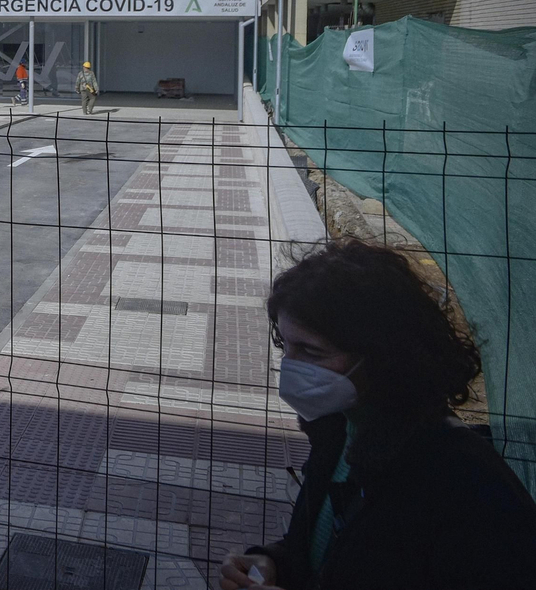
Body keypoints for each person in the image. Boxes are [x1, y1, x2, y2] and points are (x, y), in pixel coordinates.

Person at [218, 238, 536, 590]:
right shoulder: (338, 429)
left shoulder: (465, 484)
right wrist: (272, 561)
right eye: (286, 346)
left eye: (311, 351)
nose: (290, 368)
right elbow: (333, 549)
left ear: (384, 356)